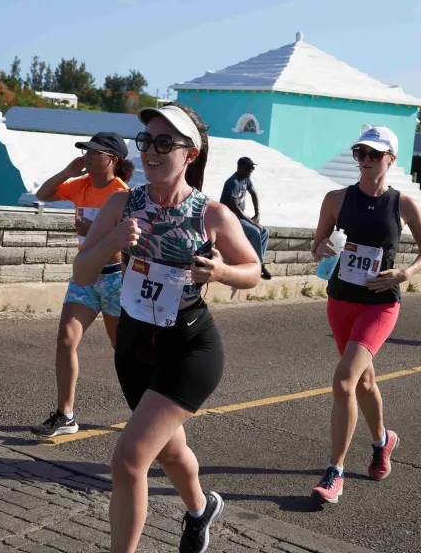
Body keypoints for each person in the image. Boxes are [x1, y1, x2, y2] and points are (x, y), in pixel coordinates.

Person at [74, 103, 261, 552]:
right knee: (169, 450)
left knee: (129, 459)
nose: (151, 151)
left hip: (189, 348)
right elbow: (82, 273)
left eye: (164, 142)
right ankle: (201, 509)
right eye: (147, 142)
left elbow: (253, 270)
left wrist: (219, 272)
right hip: (135, 344)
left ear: (190, 154)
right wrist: (112, 245)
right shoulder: (122, 204)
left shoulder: (210, 214)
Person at [310, 126, 421, 506]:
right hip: (341, 300)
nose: (365, 160)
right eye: (360, 153)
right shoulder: (335, 199)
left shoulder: (403, 204)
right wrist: (322, 249)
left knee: (344, 383)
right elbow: (316, 245)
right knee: (363, 381)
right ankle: (383, 441)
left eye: (374, 155)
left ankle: (335, 472)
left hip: (381, 303)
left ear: (390, 160)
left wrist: (405, 273)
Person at [30, 132, 135, 439]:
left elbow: (128, 246)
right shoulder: (82, 186)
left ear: (112, 160)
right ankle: (66, 415)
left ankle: (145, 415)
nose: (87, 157)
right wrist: (68, 171)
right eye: (85, 152)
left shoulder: (122, 194)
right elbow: (44, 194)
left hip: (115, 277)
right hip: (85, 277)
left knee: (124, 353)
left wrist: (92, 232)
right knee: (65, 339)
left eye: (93, 153)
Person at [220, 157, 273, 280]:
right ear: (240, 167)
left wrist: (257, 213)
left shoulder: (246, 179)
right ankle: (259, 266)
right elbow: (235, 209)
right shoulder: (233, 182)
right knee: (254, 231)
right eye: (249, 168)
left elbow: (254, 193)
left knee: (264, 231)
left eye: (252, 168)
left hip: (238, 216)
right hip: (228, 218)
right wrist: (252, 223)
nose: (251, 170)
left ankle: (259, 263)